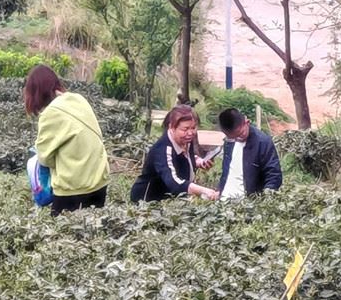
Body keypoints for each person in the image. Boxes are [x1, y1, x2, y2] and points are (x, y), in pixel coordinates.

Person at [24, 64, 110, 215]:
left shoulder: (50, 114)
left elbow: (44, 159)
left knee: (60, 229)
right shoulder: (79, 99)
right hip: (100, 183)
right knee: (93, 227)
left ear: (36, 93)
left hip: (74, 190)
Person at [131, 105, 220, 203]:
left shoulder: (186, 140)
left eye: (193, 128)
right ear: (172, 127)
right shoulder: (162, 150)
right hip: (147, 200)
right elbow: (174, 182)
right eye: (185, 129)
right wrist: (205, 191)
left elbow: (181, 159)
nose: (190, 133)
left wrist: (197, 161)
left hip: (170, 199)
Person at [217, 108, 283, 199]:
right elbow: (227, 170)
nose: (237, 139)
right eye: (232, 138)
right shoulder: (229, 141)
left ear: (247, 123)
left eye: (240, 134)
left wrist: (266, 197)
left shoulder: (263, 142)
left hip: (247, 201)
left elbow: (273, 175)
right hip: (225, 198)